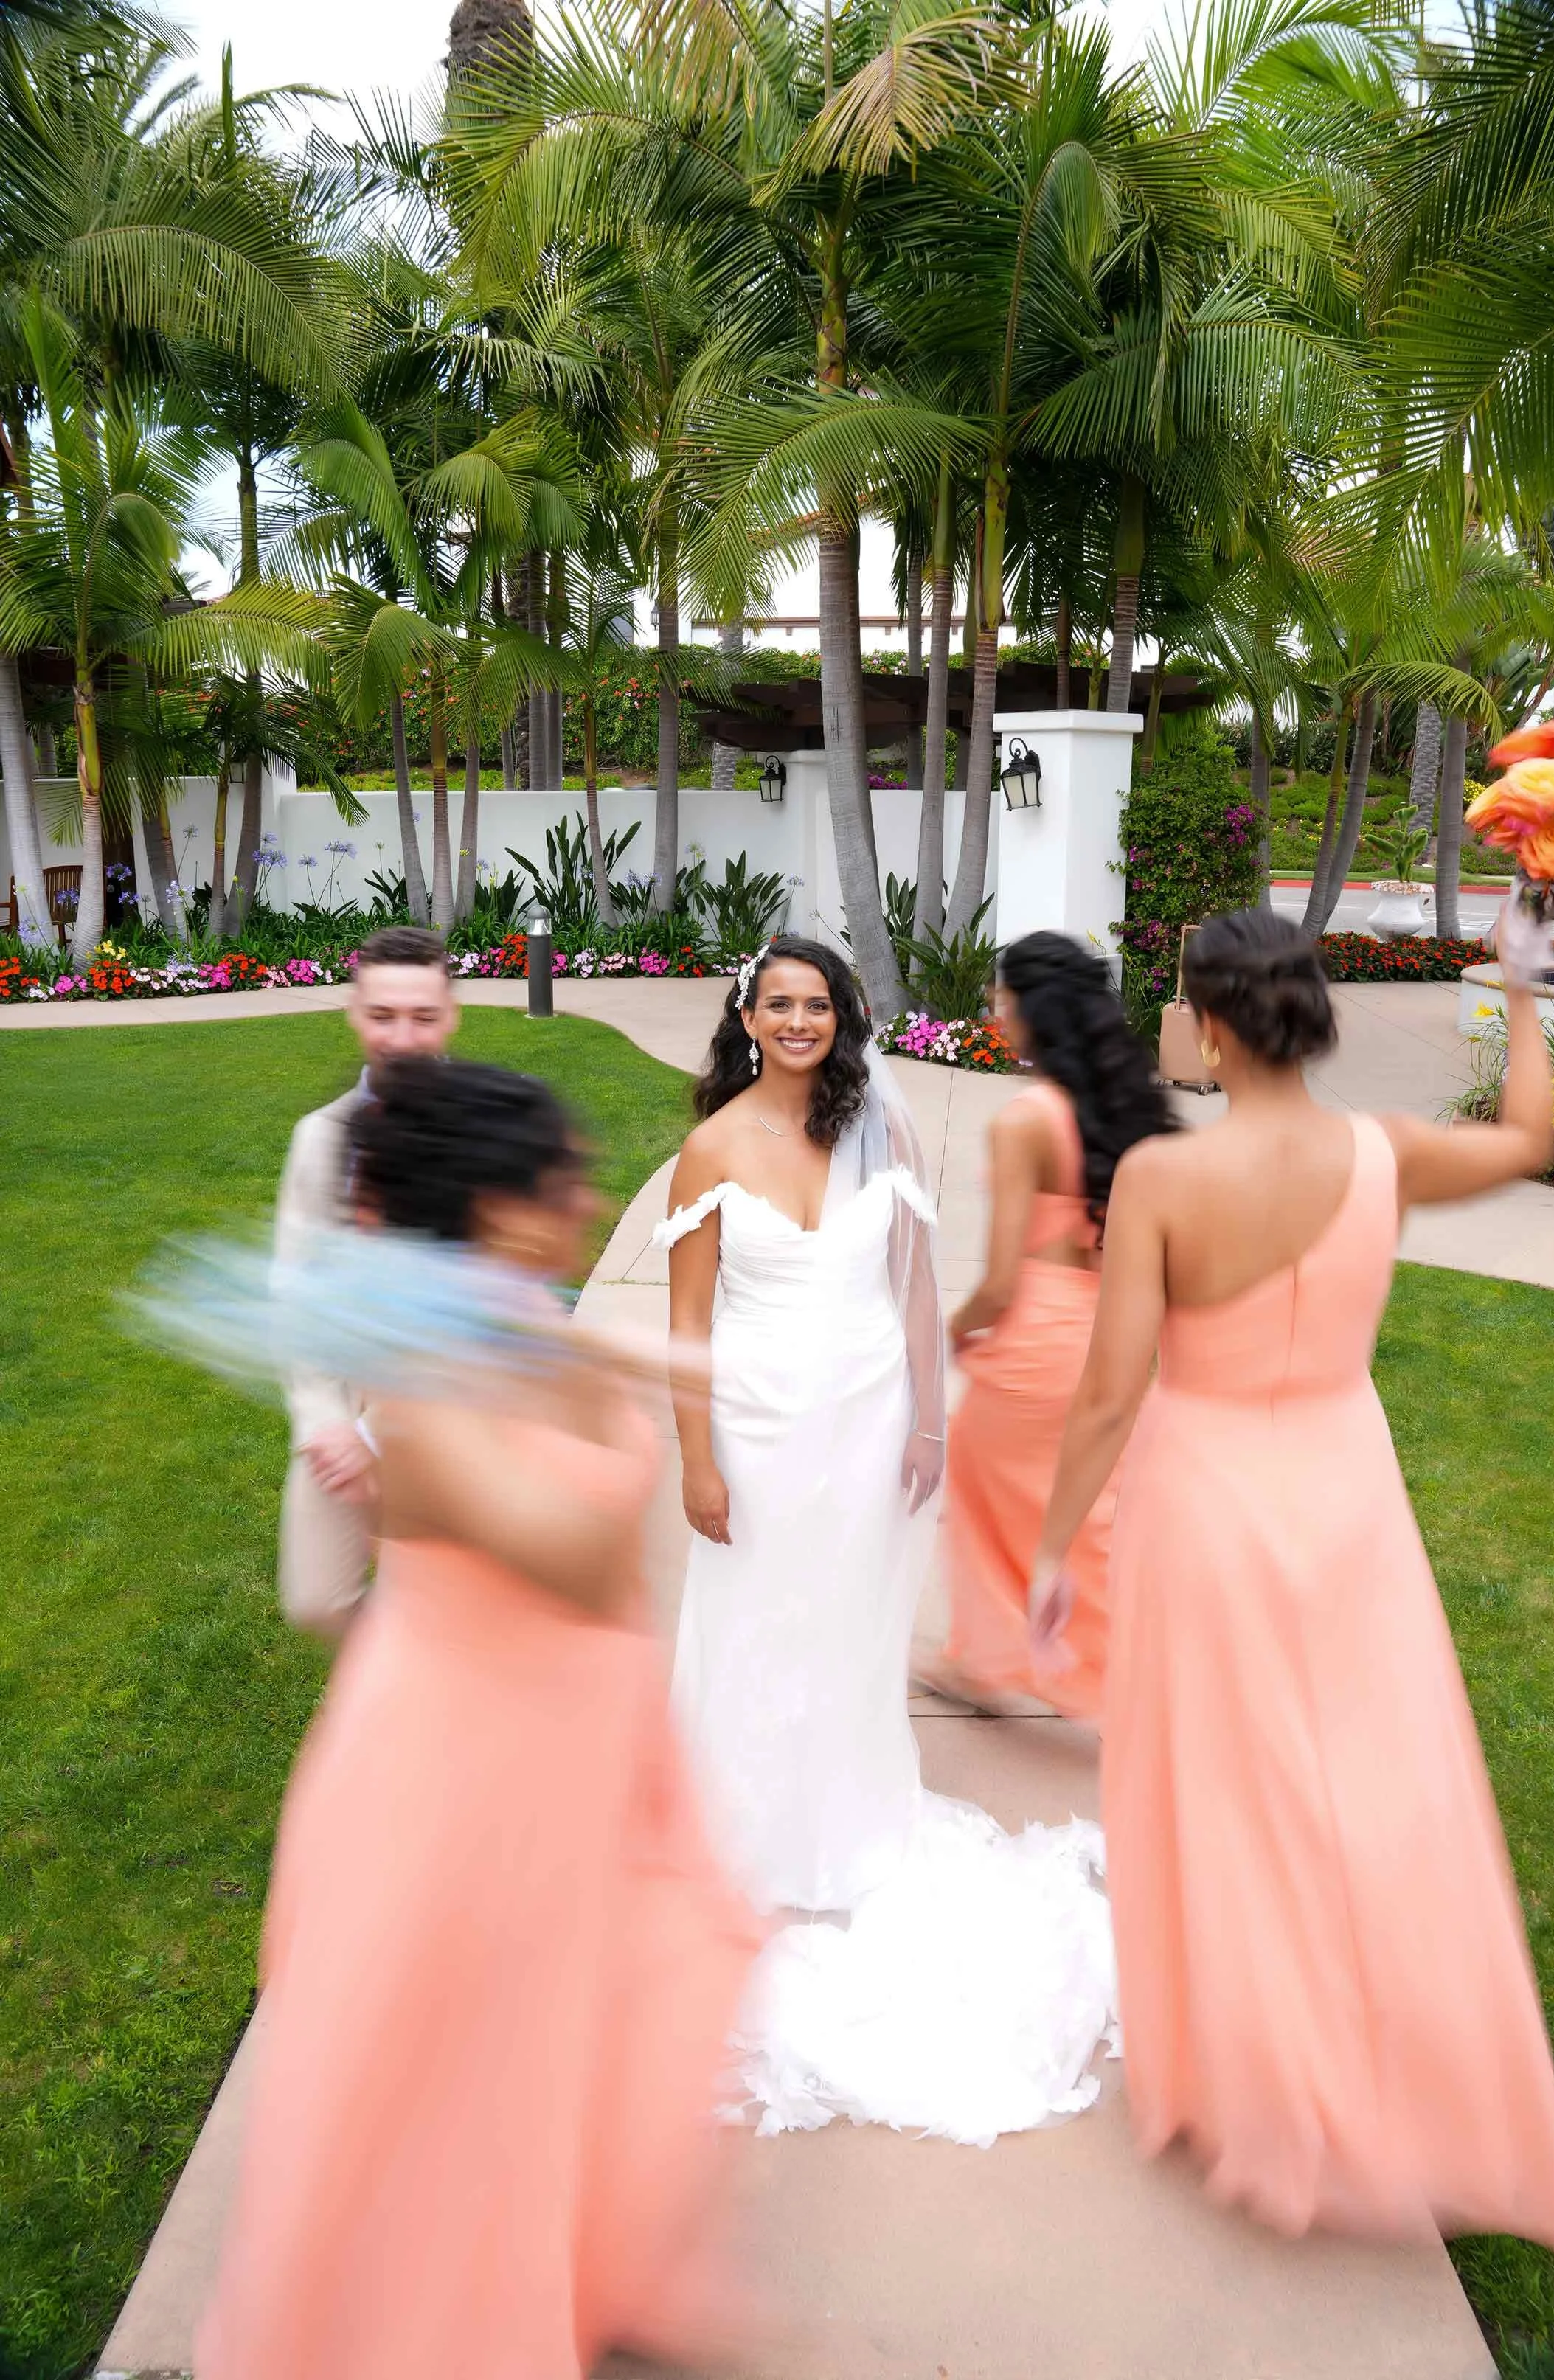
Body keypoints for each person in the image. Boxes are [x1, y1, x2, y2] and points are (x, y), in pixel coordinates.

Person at [1031, 905, 1554, 2252]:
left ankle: (1257, 2074)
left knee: (1228, 1787)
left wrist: (1051, 1543)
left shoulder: (1164, 1180)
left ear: (1210, 1027)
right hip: (1348, 1497)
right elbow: (1528, 1142)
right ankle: (1386, 2047)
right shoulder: (1382, 1152)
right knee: (1367, 1782)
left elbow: (1110, 1388)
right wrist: (1521, 992)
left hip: (1207, 1499)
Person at [197, 1059, 758, 2380]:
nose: (591, 1195)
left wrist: (650, 1353)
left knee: (582, 2014)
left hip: (573, 1729)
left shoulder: (510, 1320)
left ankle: (567, 2261)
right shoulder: (433, 1378)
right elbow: (566, 1555)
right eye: (566, 1180)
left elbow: (593, 1401)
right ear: (500, 1212)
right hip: (456, 1765)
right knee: (455, 2062)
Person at [657, 938, 1115, 2145]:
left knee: (850, 1632)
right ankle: (740, 1837)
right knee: (753, 1623)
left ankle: (850, 1820)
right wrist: (697, 1457)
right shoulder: (708, 1149)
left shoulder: (884, 1133)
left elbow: (915, 1288)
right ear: (745, 1016)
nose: (799, 1020)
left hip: (868, 1426)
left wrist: (924, 1421)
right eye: (780, 1004)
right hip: (754, 1431)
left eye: (819, 1004)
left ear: (844, 1016)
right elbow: (687, 1324)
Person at [924, 932, 1173, 1721]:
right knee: (1092, 1511)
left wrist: (950, 1332)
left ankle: (1028, 1664)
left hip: (1035, 1348)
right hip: (1115, 1340)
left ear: (1032, 1008)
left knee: (987, 1487)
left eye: (1001, 996)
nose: (995, 1009)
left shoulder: (1026, 1121)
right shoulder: (1131, 1112)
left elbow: (999, 1282)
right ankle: (1004, 1662)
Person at [274, 924, 457, 1638]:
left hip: (461, 1406)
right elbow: (296, 1290)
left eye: (422, 1015)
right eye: (383, 1015)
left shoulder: (490, 1123)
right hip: (350, 1403)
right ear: (355, 1014)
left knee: (465, 1605)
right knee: (317, 1597)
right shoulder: (320, 1136)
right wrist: (328, 1421)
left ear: (451, 1016)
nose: (402, 1037)